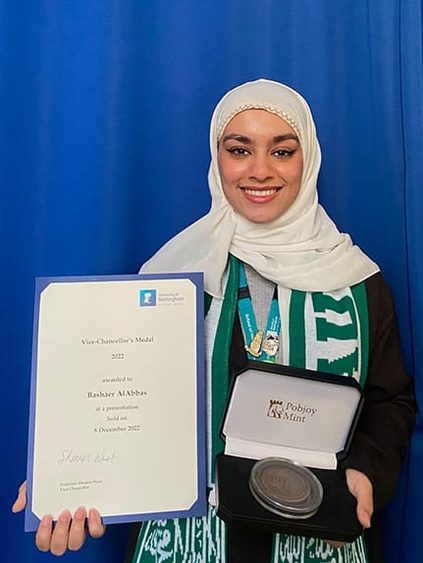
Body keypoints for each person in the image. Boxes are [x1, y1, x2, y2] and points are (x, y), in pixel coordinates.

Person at [13, 79, 415, 563]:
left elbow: (390, 402)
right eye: (239, 149)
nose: (260, 171)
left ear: (307, 161)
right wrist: (69, 476)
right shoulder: (168, 279)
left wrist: (365, 473)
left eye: (282, 151)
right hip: (187, 545)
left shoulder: (356, 282)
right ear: (216, 157)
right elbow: (115, 405)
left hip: (316, 542)